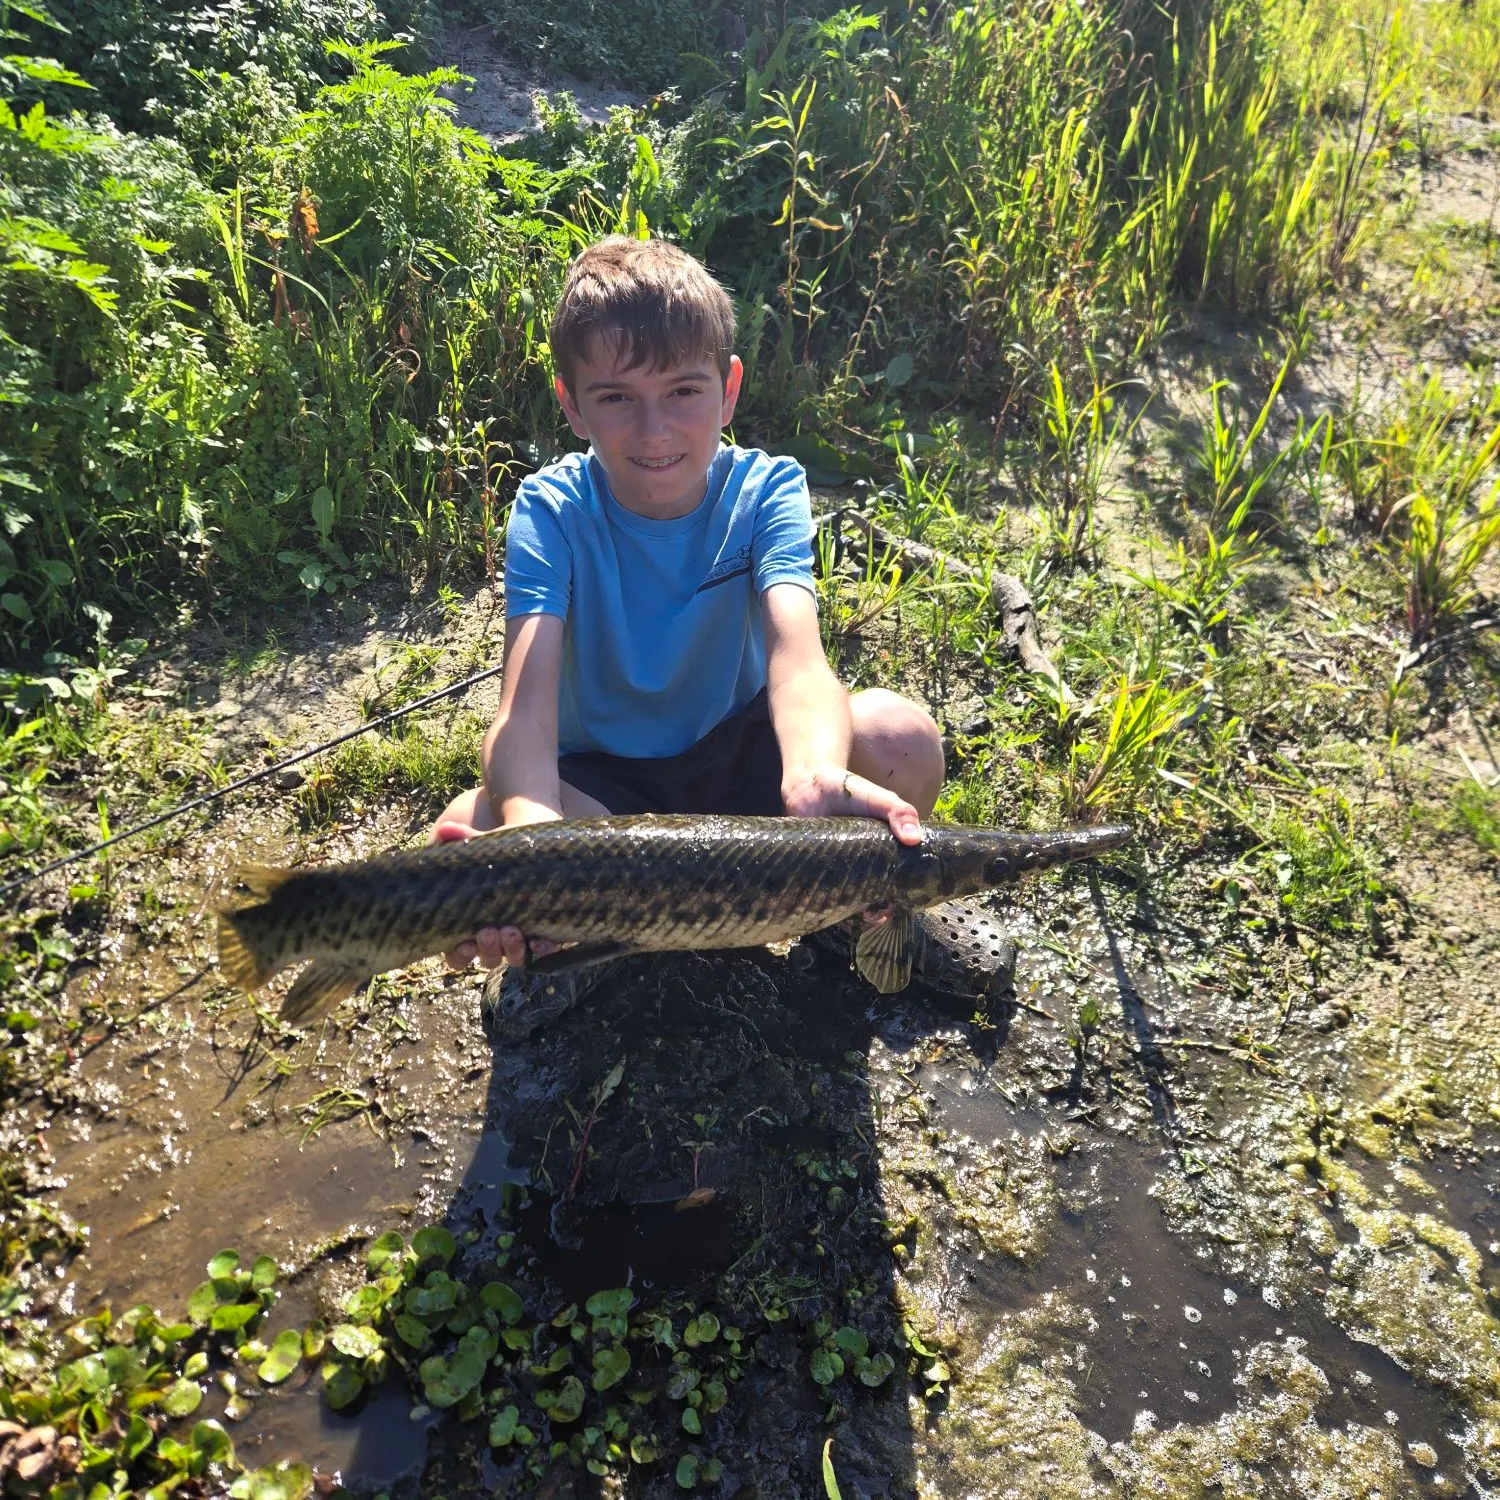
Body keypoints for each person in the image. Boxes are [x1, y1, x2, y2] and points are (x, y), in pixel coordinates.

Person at [431, 235, 972, 1025]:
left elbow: (799, 663)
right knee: (480, 823)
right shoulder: (550, 511)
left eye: (683, 390)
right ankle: (575, 945)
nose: (654, 431)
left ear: (728, 391)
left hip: (742, 762)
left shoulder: (767, 490)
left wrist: (814, 775)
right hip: (606, 791)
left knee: (901, 739)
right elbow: (526, 713)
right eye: (616, 398)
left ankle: (838, 912)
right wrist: (535, 838)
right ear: (572, 404)